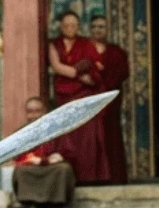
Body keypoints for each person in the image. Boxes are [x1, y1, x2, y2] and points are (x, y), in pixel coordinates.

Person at [51, 11, 119, 185]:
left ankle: (91, 176)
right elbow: (57, 67)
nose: (70, 28)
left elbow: (96, 67)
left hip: (84, 94)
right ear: (61, 26)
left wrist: (87, 74)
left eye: (73, 25)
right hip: (64, 94)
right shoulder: (54, 45)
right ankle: (71, 176)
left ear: (78, 27)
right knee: (68, 134)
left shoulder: (86, 44)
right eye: (66, 25)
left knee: (88, 137)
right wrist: (77, 73)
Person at [88, 14, 131, 184]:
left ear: (107, 30)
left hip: (110, 101)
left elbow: (123, 72)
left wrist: (105, 84)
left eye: (101, 27)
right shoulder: (85, 50)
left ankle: (115, 177)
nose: (98, 30)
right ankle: (92, 177)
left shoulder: (116, 52)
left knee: (111, 136)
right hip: (89, 100)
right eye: (94, 27)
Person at [12, 97, 75, 208]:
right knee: (20, 171)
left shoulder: (56, 129)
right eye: (30, 112)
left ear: (44, 112)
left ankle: (57, 201)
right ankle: (26, 200)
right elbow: (16, 155)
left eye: (38, 111)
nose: (34, 115)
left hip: (52, 165)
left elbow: (67, 152)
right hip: (31, 165)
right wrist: (31, 159)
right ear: (26, 114)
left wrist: (53, 158)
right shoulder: (21, 132)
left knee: (64, 169)